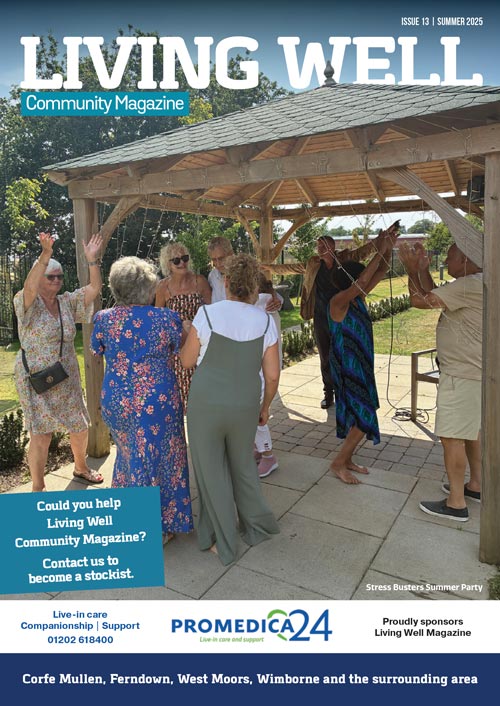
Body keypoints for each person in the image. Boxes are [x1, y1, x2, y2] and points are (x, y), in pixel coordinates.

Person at [180, 253, 280, 565]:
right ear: (255, 287)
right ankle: (256, 525)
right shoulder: (265, 321)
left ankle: (220, 539)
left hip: (206, 404)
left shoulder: (207, 315)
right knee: (243, 466)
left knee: (211, 471)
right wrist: (265, 407)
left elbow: (187, 361)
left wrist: (188, 332)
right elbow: (273, 375)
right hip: (245, 404)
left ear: (226, 283)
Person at [91, 256, 193, 542]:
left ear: (116, 287)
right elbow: (182, 348)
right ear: (149, 288)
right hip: (156, 402)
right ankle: (153, 528)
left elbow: (96, 350)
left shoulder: (104, 319)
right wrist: (187, 328)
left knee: (130, 456)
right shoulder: (166, 318)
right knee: (161, 459)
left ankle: (128, 516)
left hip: (118, 400)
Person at [399, 241, 482, 522]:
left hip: (461, 376)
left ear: (466, 259)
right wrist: (423, 270)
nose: (446, 262)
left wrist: (411, 269)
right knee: (471, 433)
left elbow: (419, 301)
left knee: (452, 437)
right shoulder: (474, 283)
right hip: (471, 374)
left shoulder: (469, 285)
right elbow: (434, 295)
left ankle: (456, 503)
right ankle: (476, 485)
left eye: (450, 257)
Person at [14, 232, 104, 492]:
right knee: (41, 434)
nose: (56, 280)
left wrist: (92, 260)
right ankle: (38, 487)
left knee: (79, 425)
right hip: (36, 380)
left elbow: (94, 288)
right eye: (50, 276)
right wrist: (46, 254)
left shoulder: (67, 302)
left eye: (59, 277)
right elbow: (29, 287)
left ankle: (81, 467)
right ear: (39, 278)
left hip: (66, 376)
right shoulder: (27, 303)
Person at [328, 233, 398, 484]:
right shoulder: (338, 301)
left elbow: (380, 271)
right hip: (347, 366)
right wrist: (378, 250)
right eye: (359, 280)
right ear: (353, 281)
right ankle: (338, 462)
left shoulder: (357, 298)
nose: (364, 284)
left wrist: (387, 249)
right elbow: (364, 279)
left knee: (360, 413)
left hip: (361, 364)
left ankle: (347, 460)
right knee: (364, 414)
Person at [300, 230, 395, 409]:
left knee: (344, 367)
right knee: (326, 357)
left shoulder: (351, 295)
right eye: (318, 245)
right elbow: (370, 276)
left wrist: (384, 245)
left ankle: (346, 397)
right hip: (323, 318)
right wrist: (384, 250)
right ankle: (330, 393)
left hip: (353, 350)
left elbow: (373, 266)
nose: (319, 249)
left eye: (323, 245)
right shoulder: (345, 295)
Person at [155, 242, 211, 409]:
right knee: (177, 400)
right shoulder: (163, 287)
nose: (182, 263)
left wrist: (195, 325)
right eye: (176, 260)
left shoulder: (199, 281)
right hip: (176, 348)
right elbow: (158, 319)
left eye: (185, 258)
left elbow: (212, 312)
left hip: (200, 344)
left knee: (201, 397)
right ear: (168, 264)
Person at [207, 235, 283, 312]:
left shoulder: (247, 272)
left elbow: (267, 286)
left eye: (221, 258)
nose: (218, 263)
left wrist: (274, 297)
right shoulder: (212, 276)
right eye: (214, 259)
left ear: (231, 254)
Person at [253, 272, 281, 478]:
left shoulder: (259, 308)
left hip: (258, 370)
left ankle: (268, 455)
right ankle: (259, 448)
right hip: (260, 369)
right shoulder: (265, 306)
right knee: (255, 413)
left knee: (258, 414)